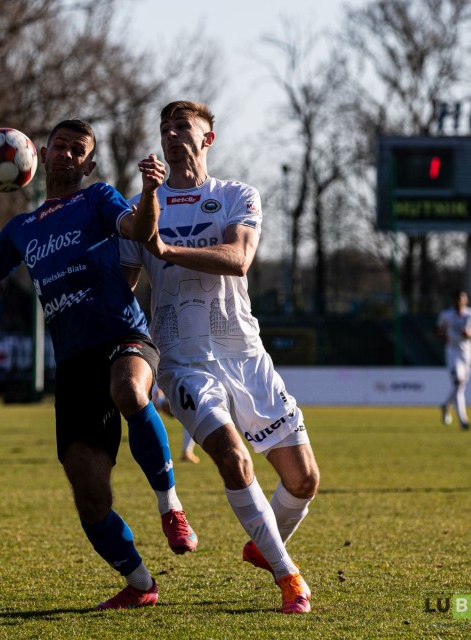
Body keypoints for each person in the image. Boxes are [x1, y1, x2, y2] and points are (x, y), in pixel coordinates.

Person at [0, 119, 196, 610]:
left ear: (89, 164)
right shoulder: (20, 230)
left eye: (77, 150)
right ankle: (140, 583)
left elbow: (141, 231)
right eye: (60, 146)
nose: (67, 154)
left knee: (130, 391)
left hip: (123, 336)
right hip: (74, 363)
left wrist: (150, 192)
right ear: (41, 156)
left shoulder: (99, 199)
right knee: (89, 497)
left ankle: (170, 506)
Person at [121, 101, 320, 614]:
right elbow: (123, 287)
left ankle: (263, 545)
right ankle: (288, 576)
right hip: (183, 360)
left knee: (304, 480)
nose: (171, 134)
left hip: (245, 353)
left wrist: (167, 250)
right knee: (232, 457)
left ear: (207, 138)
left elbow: (239, 258)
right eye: (165, 128)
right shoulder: (142, 207)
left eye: (182, 126)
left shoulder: (236, 195)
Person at [436, 290, 471, 430]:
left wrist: (470, 334)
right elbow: (439, 330)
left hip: (467, 353)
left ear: (466, 300)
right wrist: (444, 337)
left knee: (461, 385)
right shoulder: (446, 315)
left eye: (461, 299)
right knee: (458, 382)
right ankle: (463, 420)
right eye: (457, 299)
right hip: (453, 352)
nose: (459, 302)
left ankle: (445, 405)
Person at [153, 381, 199, 463]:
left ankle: (187, 451)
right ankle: (158, 401)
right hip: (158, 381)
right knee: (186, 411)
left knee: (189, 413)